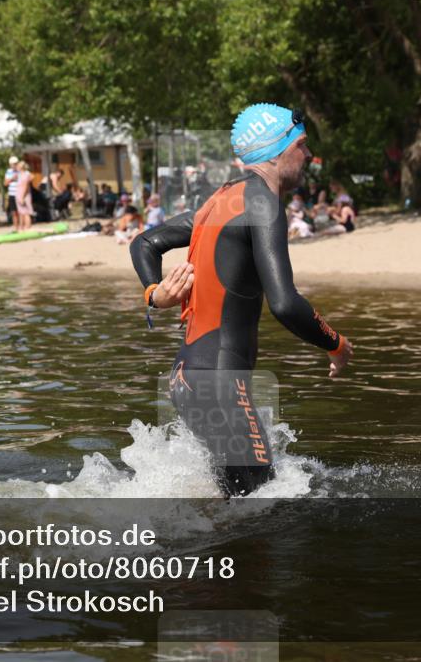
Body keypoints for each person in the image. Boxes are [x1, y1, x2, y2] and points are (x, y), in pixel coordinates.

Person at [130, 103, 353, 497]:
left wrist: (154, 293)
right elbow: (285, 304)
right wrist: (335, 344)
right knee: (263, 513)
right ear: (278, 149)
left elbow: (144, 242)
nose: (308, 156)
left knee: (237, 509)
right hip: (219, 381)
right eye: (302, 145)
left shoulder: (220, 200)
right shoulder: (263, 204)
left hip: (186, 378)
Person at [4, 156, 21, 229]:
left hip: (20, 194)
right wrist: (12, 179)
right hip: (12, 194)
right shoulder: (8, 171)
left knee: (20, 212)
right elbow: (5, 183)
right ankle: (16, 227)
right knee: (14, 212)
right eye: (12, 164)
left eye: (15, 163)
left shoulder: (21, 171)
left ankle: (21, 227)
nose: (14, 165)